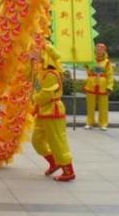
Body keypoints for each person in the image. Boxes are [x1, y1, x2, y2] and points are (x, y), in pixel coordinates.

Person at [31, 42, 76, 181]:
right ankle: (54, 162)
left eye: (36, 51)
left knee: (57, 141)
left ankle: (68, 170)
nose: (33, 53)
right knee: (36, 140)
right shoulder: (40, 72)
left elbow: (46, 94)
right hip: (43, 111)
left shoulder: (51, 74)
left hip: (52, 111)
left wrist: (32, 98)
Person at [84, 43, 114, 130]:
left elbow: (110, 75)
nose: (99, 51)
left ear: (104, 51)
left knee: (103, 106)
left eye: (101, 49)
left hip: (103, 86)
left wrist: (109, 86)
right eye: (97, 49)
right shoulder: (91, 61)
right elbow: (88, 71)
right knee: (90, 106)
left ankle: (103, 123)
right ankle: (90, 122)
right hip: (91, 85)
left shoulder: (107, 62)